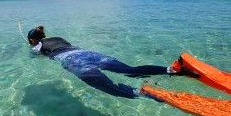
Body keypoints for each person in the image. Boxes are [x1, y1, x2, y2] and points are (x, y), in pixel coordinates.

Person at [27, 25, 181, 99]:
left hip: (72, 60)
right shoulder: (59, 38)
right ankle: (170, 69)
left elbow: (35, 56)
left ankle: (140, 93)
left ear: (33, 40)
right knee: (130, 70)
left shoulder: (37, 45)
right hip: (87, 53)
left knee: (109, 87)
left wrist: (33, 48)